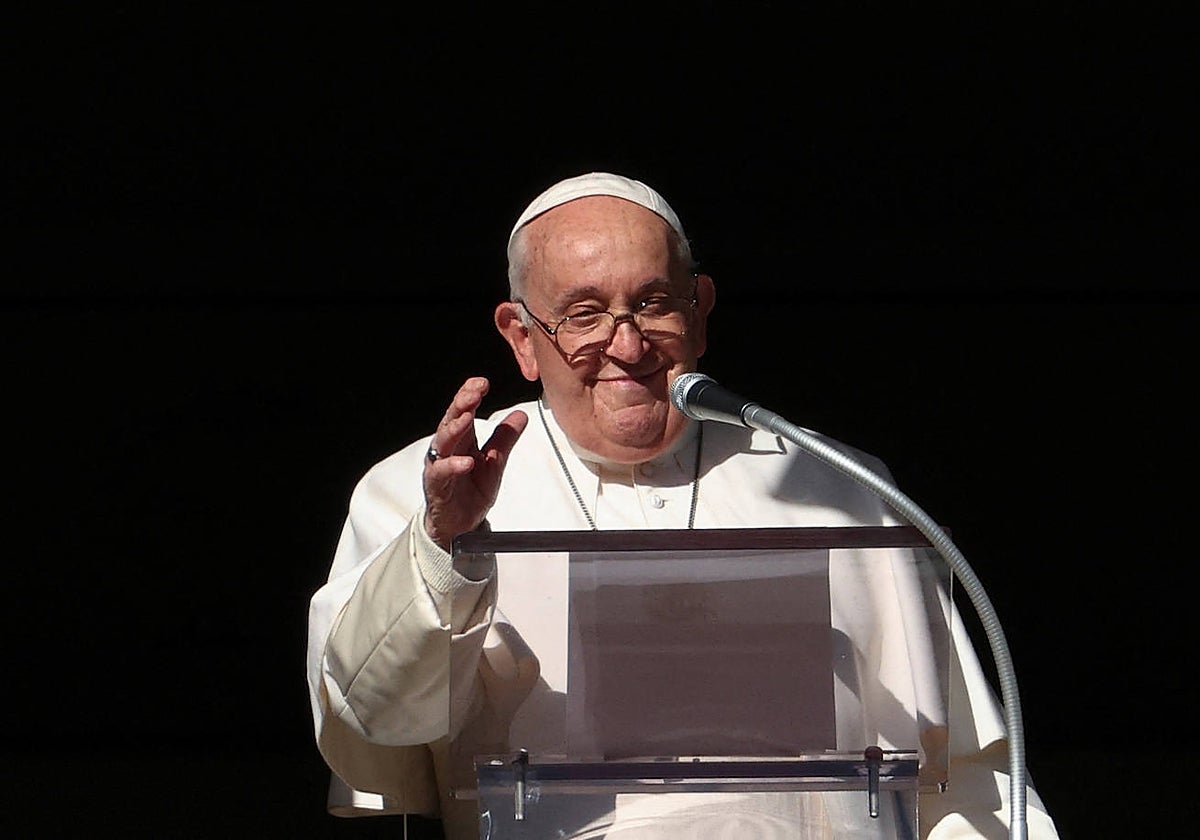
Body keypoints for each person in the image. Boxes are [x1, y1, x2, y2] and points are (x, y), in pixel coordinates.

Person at [306, 172, 1060, 839]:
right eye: (584, 315)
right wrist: (444, 545)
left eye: (654, 304)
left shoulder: (839, 488)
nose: (628, 347)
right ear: (522, 338)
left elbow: (962, 776)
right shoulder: (425, 486)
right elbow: (382, 715)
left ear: (698, 311)